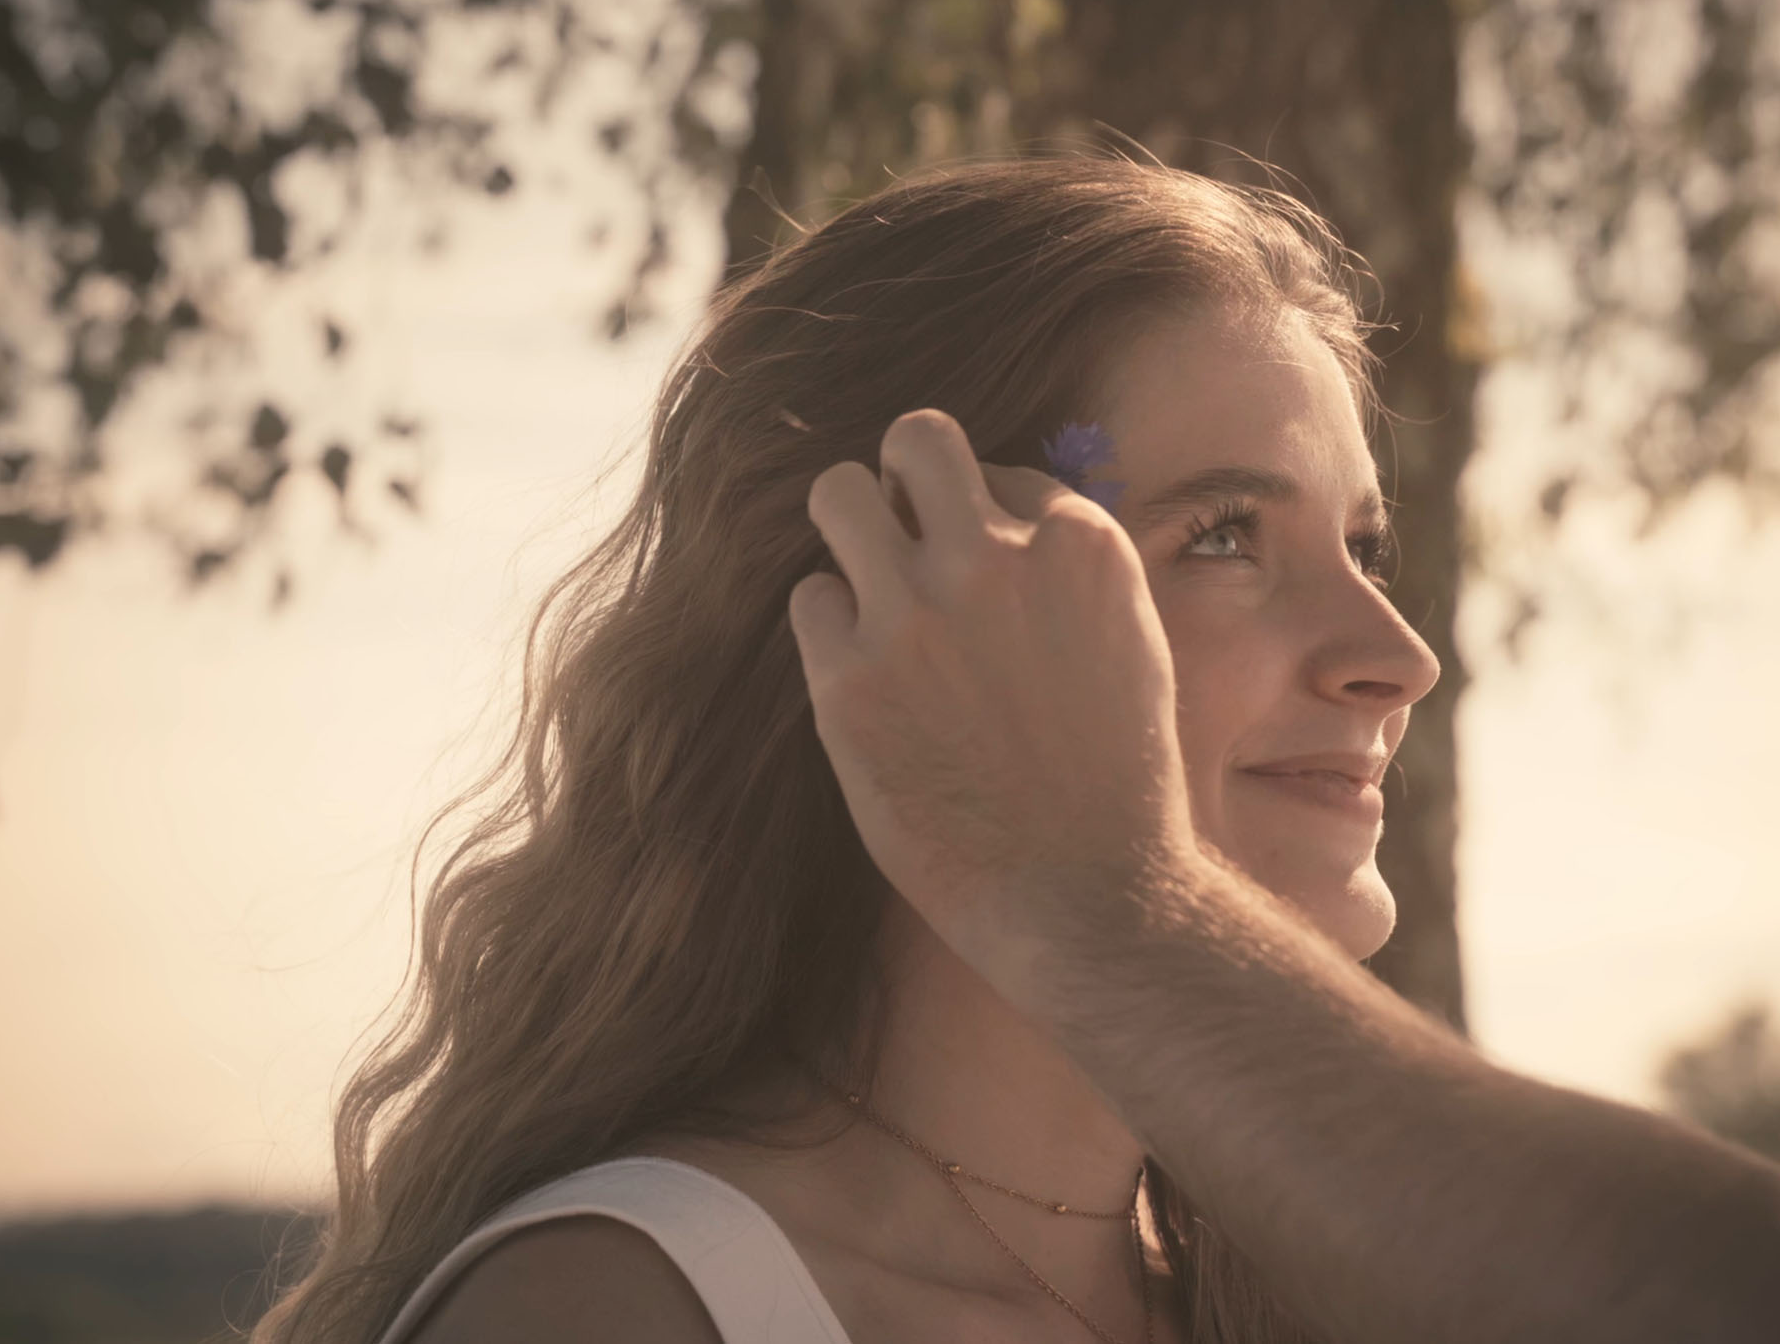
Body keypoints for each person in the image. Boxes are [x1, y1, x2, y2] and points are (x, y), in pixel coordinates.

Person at [252, 152, 1435, 1344]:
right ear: (900, 606)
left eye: (1363, 548)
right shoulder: (619, 1310)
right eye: (1226, 534)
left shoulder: (1324, 1297)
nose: (1396, 655)